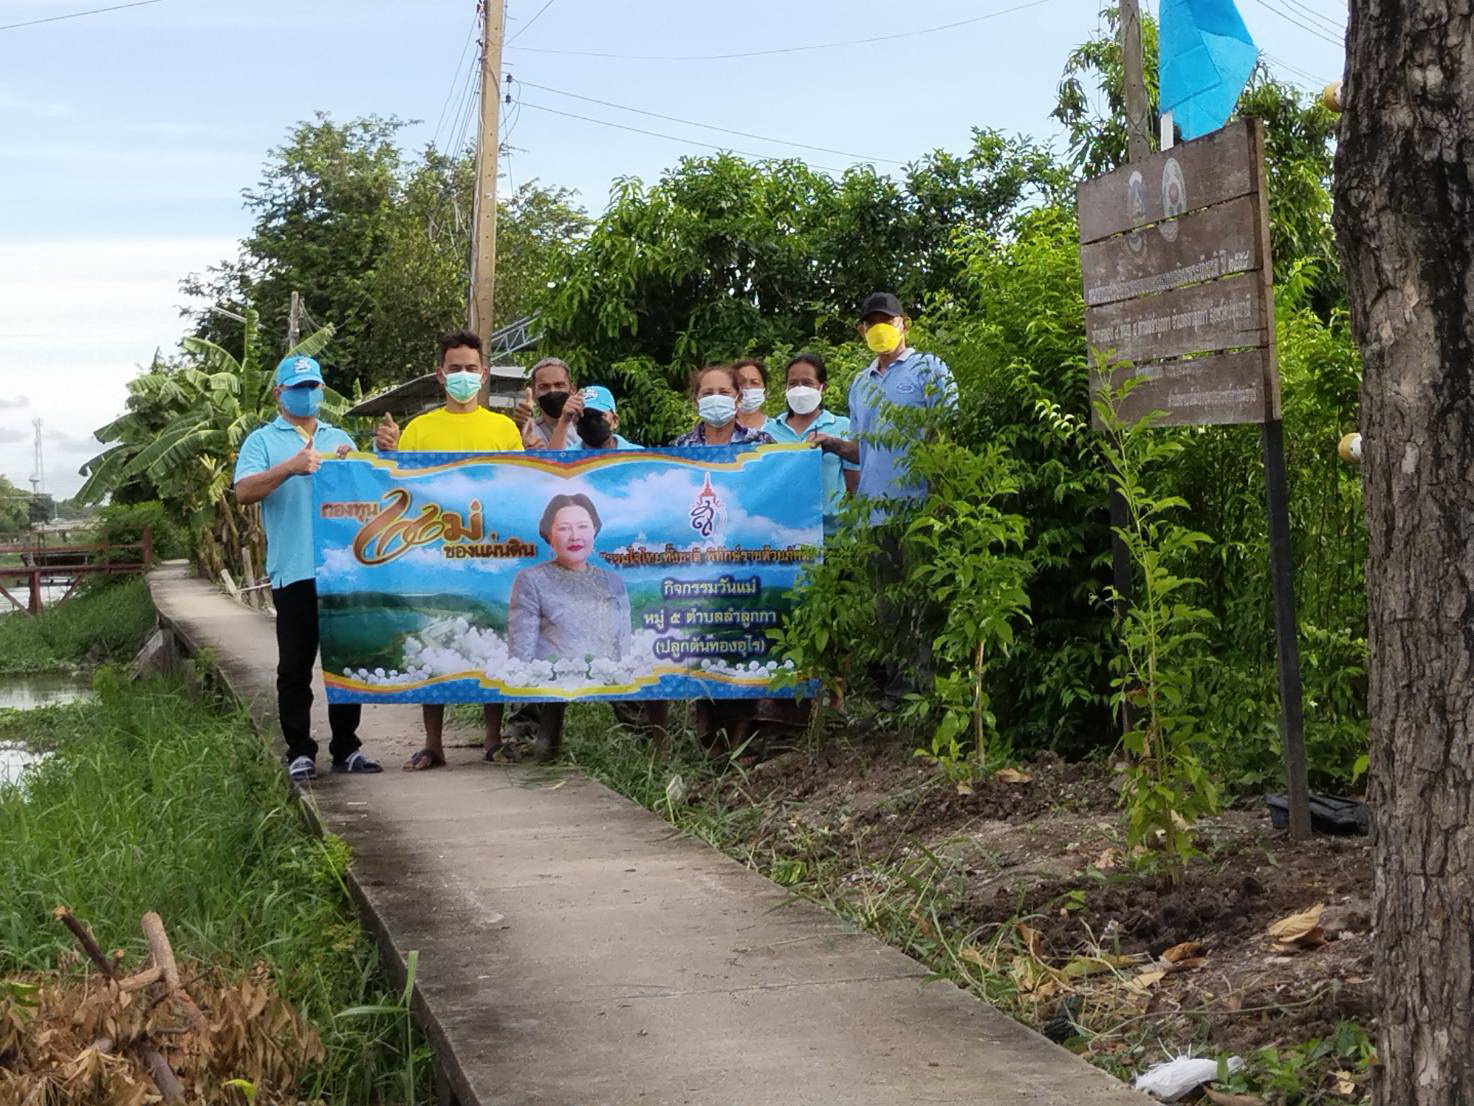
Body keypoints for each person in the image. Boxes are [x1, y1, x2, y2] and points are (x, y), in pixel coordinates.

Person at [373, 329, 526, 771]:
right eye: (455, 368)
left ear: (484, 374)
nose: (463, 375)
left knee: (492, 638)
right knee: (431, 637)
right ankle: (432, 744)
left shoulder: (504, 430)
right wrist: (386, 452)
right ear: (440, 375)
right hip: (433, 553)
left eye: (470, 368)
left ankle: (493, 738)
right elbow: (397, 487)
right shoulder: (419, 430)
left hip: (492, 552)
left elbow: (521, 486)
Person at [234, 354, 381, 783]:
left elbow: (369, 494)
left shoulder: (339, 437)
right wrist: (289, 468)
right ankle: (299, 750)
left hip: (343, 570)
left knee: (347, 661)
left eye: (313, 387)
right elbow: (244, 491)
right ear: (279, 393)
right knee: (295, 667)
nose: (308, 394)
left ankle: (346, 748)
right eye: (298, 388)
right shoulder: (262, 441)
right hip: (294, 568)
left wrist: (363, 461)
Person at [813, 292, 958, 706]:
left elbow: (944, 437)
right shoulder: (860, 384)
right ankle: (898, 694)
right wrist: (831, 444)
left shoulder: (931, 369)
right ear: (861, 330)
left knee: (924, 604)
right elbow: (864, 450)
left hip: (918, 508)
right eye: (871, 322)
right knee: (889, 609)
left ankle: (928, 695)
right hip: (874, 516)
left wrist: (940, 499)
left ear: (903, 324)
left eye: (887, 321)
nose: (880, 329)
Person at [508, 493, 631, 759]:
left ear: (595, 529)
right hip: (550, 674)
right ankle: (535, 744)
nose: (575, 536)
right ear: (548, 534)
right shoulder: (531, 580)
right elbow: (522, 650)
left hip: (607, 671)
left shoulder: (612, 582)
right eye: (564, 528)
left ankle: (643, 746)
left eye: (583, 526)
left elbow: (623, 645)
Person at [764, 352, 857, 536]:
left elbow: (854, 484)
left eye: (807, 383)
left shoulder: (842, 427)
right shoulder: (769, 430)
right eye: (793, 384)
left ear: (822, 387)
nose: (800, 389)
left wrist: (834, 445)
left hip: (834, 534)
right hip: (782, 533)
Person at [671, 363, 776, 447]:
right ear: (696, 401)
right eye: (707, 393)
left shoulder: (760, 442)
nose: (716, 398)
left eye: (724, 392)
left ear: (738, 399)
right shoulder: (681, 445)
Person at [513, 356, 582, 451]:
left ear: (572, 389)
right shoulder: (529, 431)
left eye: (559, 385)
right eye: (544, 387)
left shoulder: (585, 428)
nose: (552, 391)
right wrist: (519, 429)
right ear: (534, 393)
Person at [571, 386, 642, 450]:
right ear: (574, 422)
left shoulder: (639, 456)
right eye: (584, 416)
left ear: (615, 420)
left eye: (598, 415)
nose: (591, 421)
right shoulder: (567, 457)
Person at [731, 358, 770, 432]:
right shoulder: (720, 429)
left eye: (755, 382)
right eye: (741, 383)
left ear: (765, 392)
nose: (748, 386)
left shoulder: (777, 429)